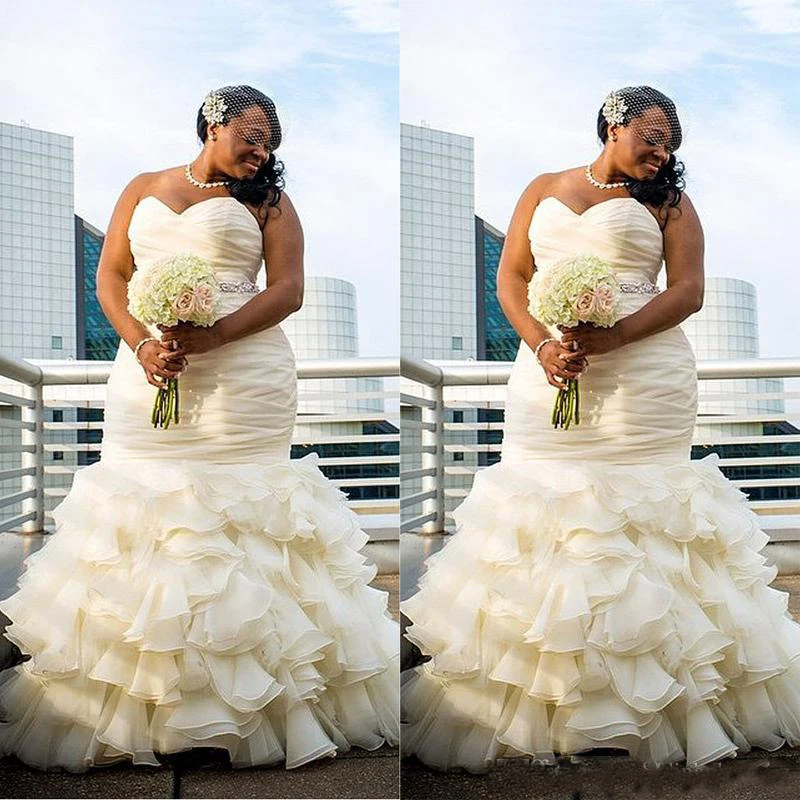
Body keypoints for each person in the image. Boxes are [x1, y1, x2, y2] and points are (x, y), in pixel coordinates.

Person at [0, 85, 399, 772]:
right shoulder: (143, 187)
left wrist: (210, 337)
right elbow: (111, 278)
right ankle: (143, 700)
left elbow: (288, 290)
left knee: (242, 519)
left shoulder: (269, 202)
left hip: (244, 379)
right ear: (212, 126)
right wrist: (142, 344)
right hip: (148, 373)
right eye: (251, 134)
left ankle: (258, 707)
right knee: (143, 513)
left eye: (271, 140)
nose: (261, 150)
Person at [401, 86, 800, 772]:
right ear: (614, 127)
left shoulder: (670, 203)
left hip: (645, 379)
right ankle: (556, 692)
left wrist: (613, 338)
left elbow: (688, 291)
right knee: (546, 513)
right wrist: (542, 344)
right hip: (550, 375)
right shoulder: (544, 188)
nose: (662, 151)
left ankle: (658, 700)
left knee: (645, 517)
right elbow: (513, 277)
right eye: (652, 136)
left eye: (671, 142)